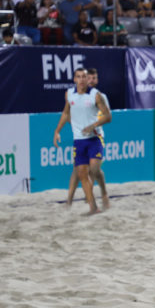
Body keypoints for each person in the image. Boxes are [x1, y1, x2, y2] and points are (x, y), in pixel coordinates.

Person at [54, 67, 111, 215]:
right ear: (74, 79)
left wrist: (93, 125)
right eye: (78, 77)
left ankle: (104, 192)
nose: (81, 80)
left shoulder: (96, 95)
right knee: (81, 173)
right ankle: (93, 207)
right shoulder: (70, 94)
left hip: (95, 138)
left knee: (94, 170)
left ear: (88, 79)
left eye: (84, 77)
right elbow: (66, 112)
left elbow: (108, 116)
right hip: (78, 141)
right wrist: (57, 131)